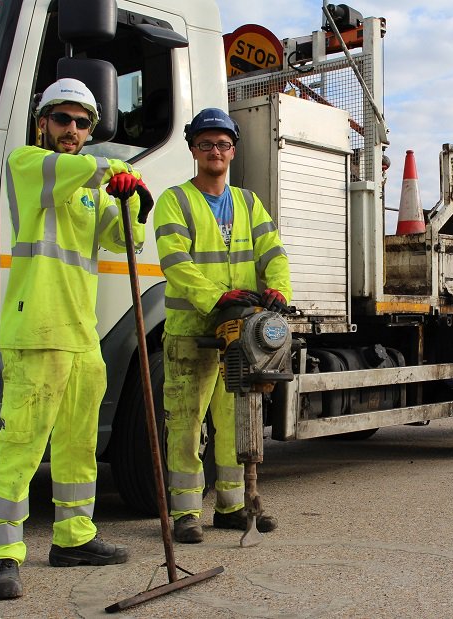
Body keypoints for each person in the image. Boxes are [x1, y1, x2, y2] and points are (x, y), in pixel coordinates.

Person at [0, 78, 154, 599]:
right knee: (22, 443)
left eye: (82, 123)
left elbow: (123, 239)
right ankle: (3, 554)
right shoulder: (28, 164)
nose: (72, 130)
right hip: (36, 329)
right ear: (43, 123)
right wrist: (119, 170)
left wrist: (134, 204)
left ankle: (74, 537)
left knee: (79, 443)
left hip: (82, 333)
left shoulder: (87, 189)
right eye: (63, 119)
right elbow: (81, 170)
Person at [153, 108, 291, 544]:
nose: (215, 151)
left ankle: (233, 507)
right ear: (193, 149)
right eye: (206, 144)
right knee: (185, 423)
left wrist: (279, 290)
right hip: (191, 332)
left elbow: (273, 252)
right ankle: (186, 513)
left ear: (233, 150)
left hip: (240, 333)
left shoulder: (248, 203)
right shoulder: (175, 200)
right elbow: (176, 262)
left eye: (223, 144)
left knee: (235, 420)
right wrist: (216, 297)